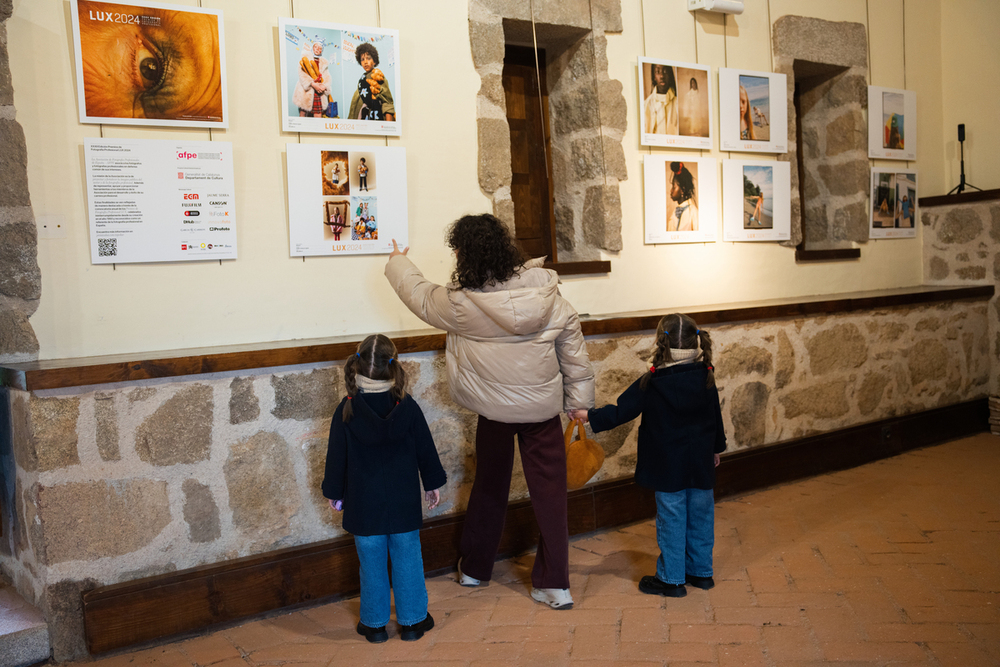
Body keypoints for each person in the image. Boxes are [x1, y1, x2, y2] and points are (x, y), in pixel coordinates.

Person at [384, 214, 595, 610]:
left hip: (494, 413)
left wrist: (398, 261)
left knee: (489, 487)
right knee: (550, 496)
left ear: (464, 254)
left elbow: (420, 295)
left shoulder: (462, 303)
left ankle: (476, 569)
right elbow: (574, 352)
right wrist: (579, 402)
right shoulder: (548, 294)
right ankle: (555, 585)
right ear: (506, 246)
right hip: (541, 413)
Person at [568, 313, 726, 598]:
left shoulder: (652, 382)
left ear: (660, 343)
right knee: (702, 515)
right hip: (701, 463)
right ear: (695, 343)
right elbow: (715, 416)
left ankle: (671, 579)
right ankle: (701, 573)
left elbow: (621, 411)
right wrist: (717, 448)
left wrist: (588, 415)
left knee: (672, 518)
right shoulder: (706, 375)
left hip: (667, 467)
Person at [322, 334, 446, 643]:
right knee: (408, 559)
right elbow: (425, 450)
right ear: (394, 365)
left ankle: (374, 625)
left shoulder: (347, 409)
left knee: (371, 565)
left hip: (364, 507)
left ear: (358, 365)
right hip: (403, 504)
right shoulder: (407, 405)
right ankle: (413, 622)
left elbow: (336, 455)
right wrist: (432, 484)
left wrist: (334, 492)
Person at [348, 43, 396, 121]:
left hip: (376, 116)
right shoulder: (362, 80)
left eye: (368, 58)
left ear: (374, 61)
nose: (365, 62)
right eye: (362, 59)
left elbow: (387, 102)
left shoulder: (378, 77)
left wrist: (388, 126)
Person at [294, 41, 332, 118]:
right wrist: (312, 84)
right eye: (315, 47)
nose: (317, 49)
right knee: (303, 113)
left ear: (322, 50)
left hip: (318, 93)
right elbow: (302, 74)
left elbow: (327, 76)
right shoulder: (305, 58)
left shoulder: (324, 62)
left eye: (320, 48)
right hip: (306, 90)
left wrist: (324, 86)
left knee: (318, 114)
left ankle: (317, 129)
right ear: (312, 47)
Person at [644, 63, 678, 135]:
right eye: (657, 72)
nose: (662, 76)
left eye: (665, 72)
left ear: (670, 75)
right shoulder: (646, 104)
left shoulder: (678, 103)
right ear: (654, 77)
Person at [667, 162, 698, 232]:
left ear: (682, 190)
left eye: (674, 187)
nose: (671, 191)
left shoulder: (693, 212)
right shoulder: (674, 213)